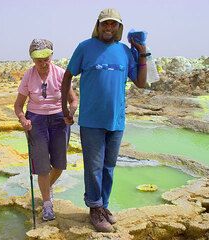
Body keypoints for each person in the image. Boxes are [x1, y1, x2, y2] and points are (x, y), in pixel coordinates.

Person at [61, 8, 147, 232]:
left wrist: (143, 52)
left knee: (109, 167)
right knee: (93, 167)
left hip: (116, 120)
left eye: (113, 24)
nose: (109, 28)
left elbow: (140, 82)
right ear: (98, 25)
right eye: (105, 24)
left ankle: (104, 206)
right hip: (91, 121)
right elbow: (67, 76)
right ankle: (94, 208)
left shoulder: (125, 51)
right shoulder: (85, 47)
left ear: (119, 27)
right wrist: (65, 109)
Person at [14, 39, 78, 221]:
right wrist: (23, 119)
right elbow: (18, 106)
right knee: (42, 167)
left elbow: (73, 100)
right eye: (37, 59)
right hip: (36, 121)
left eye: (45, 58)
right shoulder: (28, 76)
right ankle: (47, 204)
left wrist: (70, 112)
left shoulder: (61, 74)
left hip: (59, 120)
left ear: (51, 55)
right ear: (32, 59)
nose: (42, 63)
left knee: (59, 165)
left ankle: (46, 188)